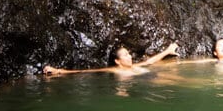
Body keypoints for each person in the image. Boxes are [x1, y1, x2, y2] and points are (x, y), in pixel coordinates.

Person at [43, 42, 178, 76]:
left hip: (151, 77)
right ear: (117, 61)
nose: (130, 56)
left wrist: (167, 51)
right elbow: (85, 72)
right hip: (145, 82)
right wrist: (58, 71)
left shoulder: (135, 66)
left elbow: (150, 61)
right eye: (125, 55)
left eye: (129, 54)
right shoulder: (114, 70)